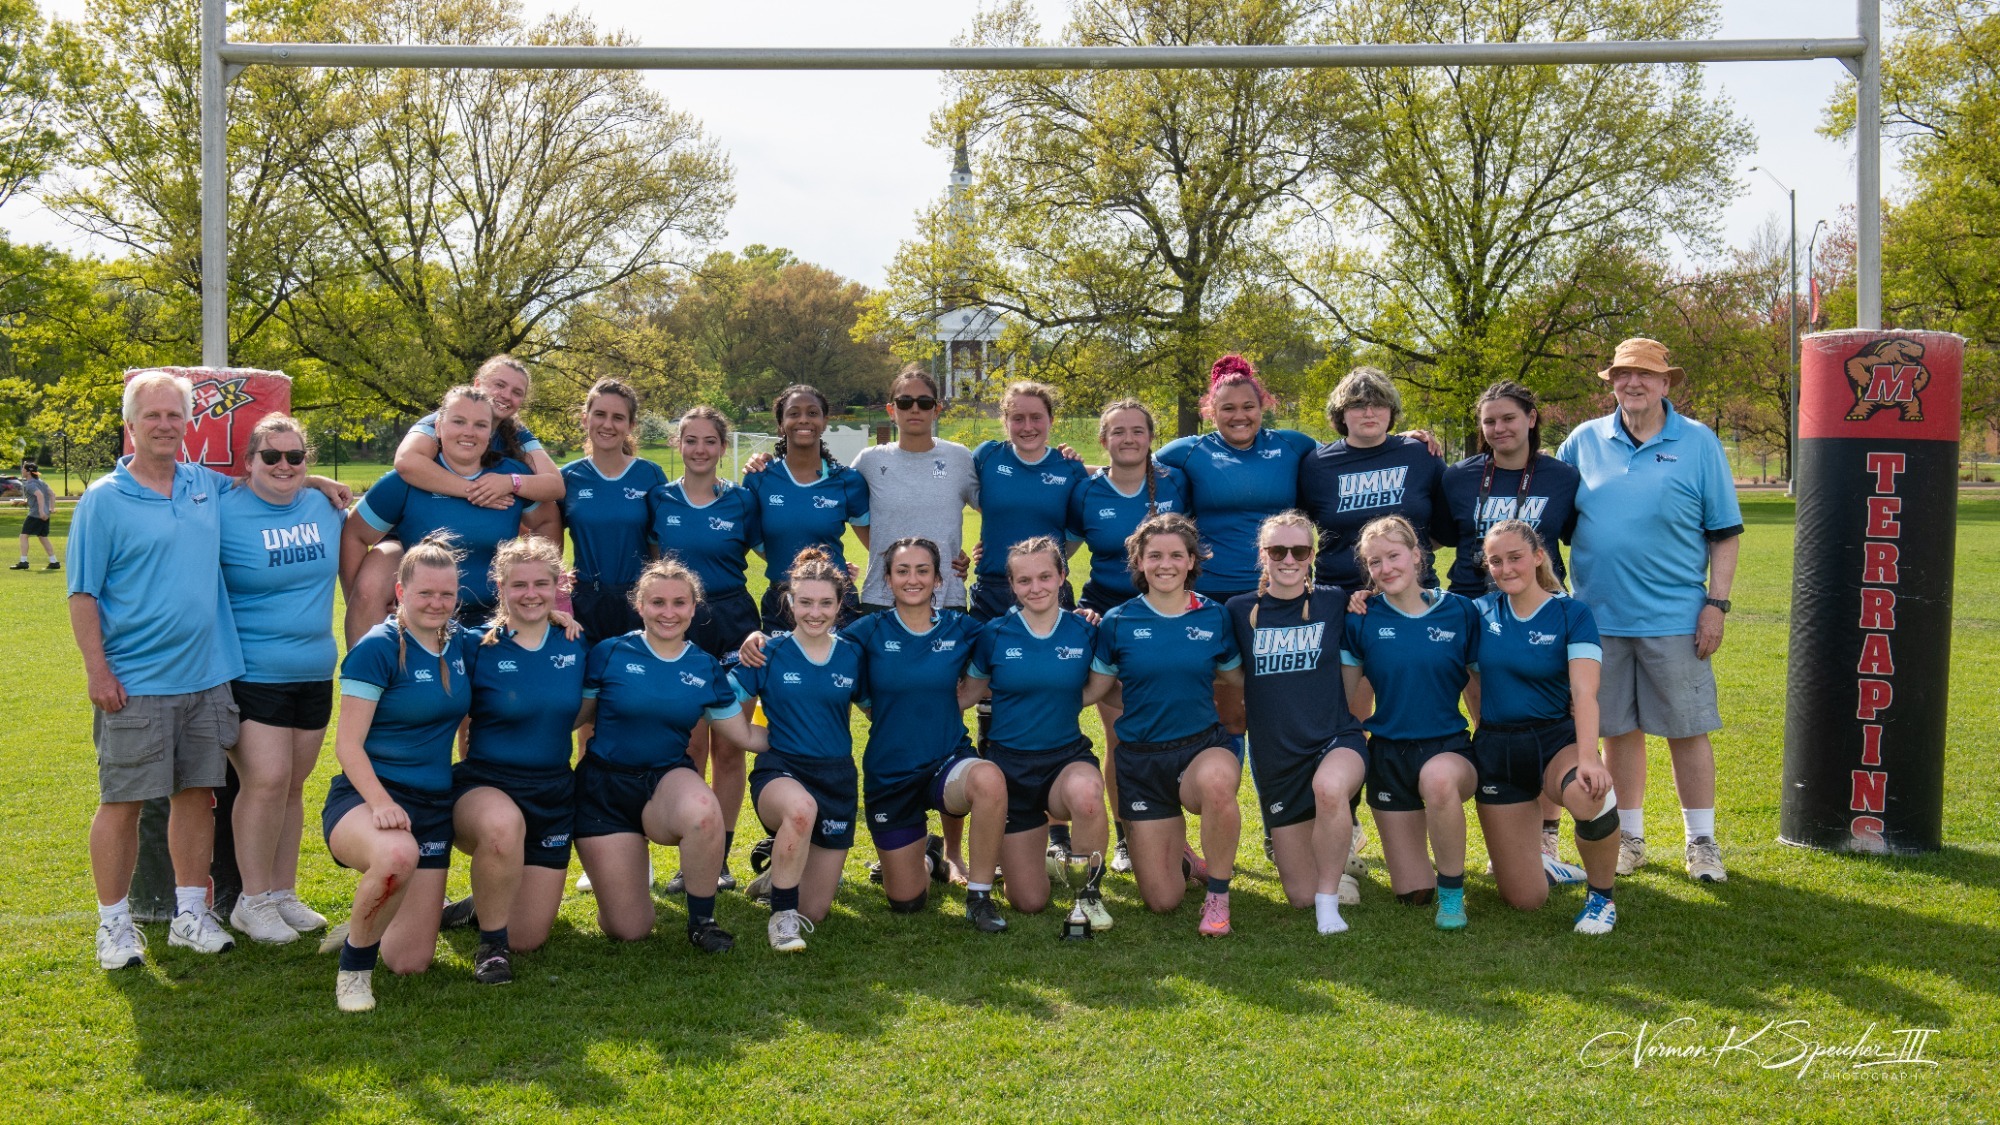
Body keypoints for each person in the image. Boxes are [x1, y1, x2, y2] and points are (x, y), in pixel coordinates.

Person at [70, 372, 254, 969]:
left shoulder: (202, 483)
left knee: (195, 797)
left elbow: (264, 485)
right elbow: (82, 594)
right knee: (123, 802)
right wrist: (98, 672)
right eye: (151, 415)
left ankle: (189, 915)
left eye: (174, 415)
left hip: (207, 677)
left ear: (186, 422)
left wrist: (322, 480)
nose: (165, 425)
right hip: (135, 682)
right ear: (130, 424)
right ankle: (114, 925)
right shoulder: (103, 498)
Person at [1556, 338, 1742, 883]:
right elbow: (1550, 510)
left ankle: (1701, 842)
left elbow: (1724, 533)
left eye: (1644, 375)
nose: (1632, 384)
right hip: (1598, 619)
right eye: (1621, 375)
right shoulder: (1584, 440)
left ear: (1666, 384)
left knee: (1687, 729)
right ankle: (1630, 838)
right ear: (1611, 382)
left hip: (1676, 617)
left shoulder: (1699, 442)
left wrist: (1716, 604)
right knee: (1617, 731)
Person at [573, 558, 766, 952]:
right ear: (639, 605)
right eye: (657, 602)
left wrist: (810, 733)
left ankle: (702, 922)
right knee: (630, 929)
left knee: (702, 808)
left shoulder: (704, 666)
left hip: (664, 782)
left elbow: (742, 734)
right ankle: (619, 877)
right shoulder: (609, 652)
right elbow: (575, 716)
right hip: (605, 791)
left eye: (679, 603)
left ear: (694, 608)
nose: (669, 612)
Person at [322, 536, 479, 1012]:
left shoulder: (459, 643)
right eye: (425, 593)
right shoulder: (378, 648)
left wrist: (557, 612)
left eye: (446, 594)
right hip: (367, 799)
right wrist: (382, 803)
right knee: (395, 855)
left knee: (410, 961)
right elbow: (347, 746)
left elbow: (519, 629)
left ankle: (365, 919)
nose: (436, 603)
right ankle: (353, 972)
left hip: (432, 807)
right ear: (400, 591)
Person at [1440, 380, 1582, 867]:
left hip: (1539, 607)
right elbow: (1439, 531)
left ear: (1531, 419)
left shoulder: (1562, 477)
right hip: (1474, 609)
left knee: (1546, 719)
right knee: (1491, 724)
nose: (1499, 428)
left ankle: (1546, 839)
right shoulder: (1458, 477)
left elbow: (1577, 537)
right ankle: (1512, 835)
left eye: (1508, 418)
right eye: (1489, 421)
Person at [216, 414, 345, 944]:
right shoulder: (224, 511)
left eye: (296, 457)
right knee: (265, 781)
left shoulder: (324, 505)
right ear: (249, 463)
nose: (285, 466)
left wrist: (316, 483)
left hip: (316, 669)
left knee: (292, 786)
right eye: (271, 456)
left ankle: (283, 892)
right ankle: (252, 900)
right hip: (253, 671)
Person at [1084, 513, 1245, 934]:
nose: (1166, 564)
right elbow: (1097, 689)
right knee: (1162, 900)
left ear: (1192, 561)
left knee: (1216, 783)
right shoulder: (1118, 621)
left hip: (1202, 749)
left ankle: (1218, 897)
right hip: (1141, 762)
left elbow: (1231, 676)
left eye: (1177, 554)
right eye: (1154, 555)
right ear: (1139, 561)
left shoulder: (1215, 616)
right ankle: (1188, 861)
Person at [841, 538, 1010, 932]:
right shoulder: (865, 632)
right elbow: (814, 650)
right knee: (907, 902)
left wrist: (1081, 618)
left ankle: (979, 897)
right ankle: (930, 856)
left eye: (922, 571)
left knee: (988, 779)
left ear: (938, 579)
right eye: (903, 571)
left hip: (946, 762)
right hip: (890, 773)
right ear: (887, 578)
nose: (912, 579)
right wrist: (760, 640)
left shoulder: (962, 628)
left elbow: (1013, 635)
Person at [1467, 520, 1620, 934]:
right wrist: (1360, 598)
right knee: (1524, 900)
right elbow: (1417, 603)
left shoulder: (1572, 613)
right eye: (1495, 561)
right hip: (1498, 750)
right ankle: (1550, 867)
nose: (1505, 568)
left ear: (1538, 556)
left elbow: (1584, 693)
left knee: (1589, 795)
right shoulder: (1477, 613)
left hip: (1554, 741)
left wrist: (1590, 757)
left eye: (1515, 557)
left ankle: (1601, 898)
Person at [449, 536, 590, 982]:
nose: (530, 593)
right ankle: (490, 949)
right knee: (501, 827)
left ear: (558, 585)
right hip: (485, 785)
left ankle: (480, 901)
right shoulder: (474, 644)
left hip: (551, 791)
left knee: (528, 937)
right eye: (518, 584)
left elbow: (586, 712)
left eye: (541, 584)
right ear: (500, 586)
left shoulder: (577, 642)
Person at [345, 356, 564, 640]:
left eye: (517, 392)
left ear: (490, 431)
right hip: (424, 614)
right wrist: (355, 601)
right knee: (371, 587)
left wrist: (547, 583)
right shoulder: (413, 468)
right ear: (440, 425)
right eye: (458, 422)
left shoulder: (515, 451)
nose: (468, 432)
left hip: (492, 622)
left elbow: (552, 493)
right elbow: (406, 462)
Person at [1339, 516, 1484, 931]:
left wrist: (1487, 735)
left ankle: (1454, 895)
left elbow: (1476, 686)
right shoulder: (1362, 617)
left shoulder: (1459, 611)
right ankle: (1426, 883)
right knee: (1412, 894)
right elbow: (1346, 700)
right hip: (1388, 754)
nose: (1386, 568)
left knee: (1438, 782)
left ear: (1417, 555)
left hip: (1447, 750)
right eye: (1375, 561)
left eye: (1394, 556)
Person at [1226, 513, 1368, 934]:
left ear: (1311, 557)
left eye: (1299, 551)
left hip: (1334, 739)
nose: (1288, 559)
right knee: (1298, 895)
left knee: (1329, 789)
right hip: (1277, 758)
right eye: (1277, 550)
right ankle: (1328, 867)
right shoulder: (1238, 611)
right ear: (1262, 556)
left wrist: (1363, 597)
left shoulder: (1335, 600)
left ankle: (1330, 904)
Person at [1066, 398, 1191, 874]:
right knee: (1121, 737)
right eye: (1117, 432)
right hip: (1108, 620)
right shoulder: (1086, 491)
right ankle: (1125, 836)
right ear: (1103, 440)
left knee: (1175, 732)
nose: (1128, 439)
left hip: (1169, 618)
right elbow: (1063, 549)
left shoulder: (1177, 481)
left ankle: (1172, 837)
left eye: (1137, 431)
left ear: (1150, 437)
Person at [963, 538, 1114, 930]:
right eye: (1025, 580)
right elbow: (968, 694)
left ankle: (1089, 894)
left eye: (1046, 576)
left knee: (1087, 796)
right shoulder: (994, 634)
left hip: (1065, 759)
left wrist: (1063, 701)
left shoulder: (1085, 629)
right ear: (1012, 585)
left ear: (1062, 577)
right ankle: (1048, 858)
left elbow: (1099, 685)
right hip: (1010, 769)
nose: (1036, 587)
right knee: (1028, 901)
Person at [728, 549, 868, 951]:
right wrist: (752, 739)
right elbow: (724, 705)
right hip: (782, 771)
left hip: (836, 777)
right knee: (800, 810)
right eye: (805, 602)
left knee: (817, 910)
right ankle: (782, 920)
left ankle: (779, 875)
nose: (815, 612)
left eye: (826, 603)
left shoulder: (851, 654)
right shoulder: (767, 651)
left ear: (840, 604)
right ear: (789, 602)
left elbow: (876, 706)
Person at [651, 404, 765, 895]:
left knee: (732, 744)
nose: (700, 449)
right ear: (679, 445)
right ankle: (692, 855)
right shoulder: (658, 499)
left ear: (723, 447)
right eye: (690, 440)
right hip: (679, 626)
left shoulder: (742, 500)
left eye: (710, 441)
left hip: (735, 625)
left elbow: (776, 550)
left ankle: (719, 859)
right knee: (691, 746)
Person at [1296, 366, 1452, 592]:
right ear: (1341, 413)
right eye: (1358, 405)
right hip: (1341, 597)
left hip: (1414, 594)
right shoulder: (1316, 464)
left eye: (1378, 404)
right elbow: (1298, 535)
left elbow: (1445, 529)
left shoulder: (1421, 455)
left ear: (1391, 410)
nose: (1369, 413)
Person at [740, 384, 871, 632]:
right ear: (780, 424)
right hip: (781, 601)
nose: (804, 420)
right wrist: (804, 568)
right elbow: (753, 542)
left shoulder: (848, 481)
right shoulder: (758, 479)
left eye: (812, 413)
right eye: (793, 413)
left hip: (836, 599)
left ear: (824, 421)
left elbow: (875, 544)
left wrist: (830, 570)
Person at [849, 365, 979, 614]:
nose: (915, 409)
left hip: (945, 598)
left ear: (937, 409)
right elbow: (841, 506)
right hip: (883, 596)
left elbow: (997, 508)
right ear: (891, 410)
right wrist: (884, 551)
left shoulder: (959, 458)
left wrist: (975, 551)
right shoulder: (869, 461)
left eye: (925, 402)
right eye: (905, 402)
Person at [558, 379, 667, 646]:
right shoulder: (568, 477)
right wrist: (558, 575)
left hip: (638, 603)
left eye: (618, 417)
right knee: (588, 686)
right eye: (600, 415)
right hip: (585, 602)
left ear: (630, 426)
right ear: (585, 419)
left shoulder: (650, 474)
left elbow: (661, 541)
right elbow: (539, 533)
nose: (608, 424)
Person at [967, 382, 1085, 621]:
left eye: (1036, 417)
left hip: (1048, 590)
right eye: (1018, 418)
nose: (1028, 427)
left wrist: (1041, 564)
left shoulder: (1071, 469)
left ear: (1051, 420)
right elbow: (964, 495)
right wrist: (992, 544)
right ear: (1005, 421)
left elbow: (1074, 534)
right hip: (992, 591)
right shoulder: (986, 456)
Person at [12, 460, 57, 570]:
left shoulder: (30, 484)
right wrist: (51, 508)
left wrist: (41, 511)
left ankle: (23, 561)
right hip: (45, 514)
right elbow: (52, 494)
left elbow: (40, 495)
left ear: (28, 472)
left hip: (36, 515)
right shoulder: (41, 482)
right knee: (42, 537)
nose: (22, 470)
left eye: (23, 468)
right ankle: (54, 562)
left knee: (23, 536)